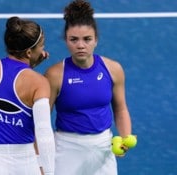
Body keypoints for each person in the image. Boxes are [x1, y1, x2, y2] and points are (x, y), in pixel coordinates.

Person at [44, 0, 134, 174]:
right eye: (74, 39)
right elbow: (41, 119)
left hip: (103, 149)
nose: (80, 45)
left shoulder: (113, 69)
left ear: (96, 40)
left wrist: (124, 137)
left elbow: (121, 108)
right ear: (66, 41)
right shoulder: (55, 75)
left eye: (87, 39)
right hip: (66, 150)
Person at [0, 16, 55, 175]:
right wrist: (50, 172)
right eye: (41, 46)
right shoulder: (39, 83)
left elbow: (11, 80)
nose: (43, 50)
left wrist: (29, 65)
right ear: (30, 52)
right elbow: (44, 134)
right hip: (25, 162)